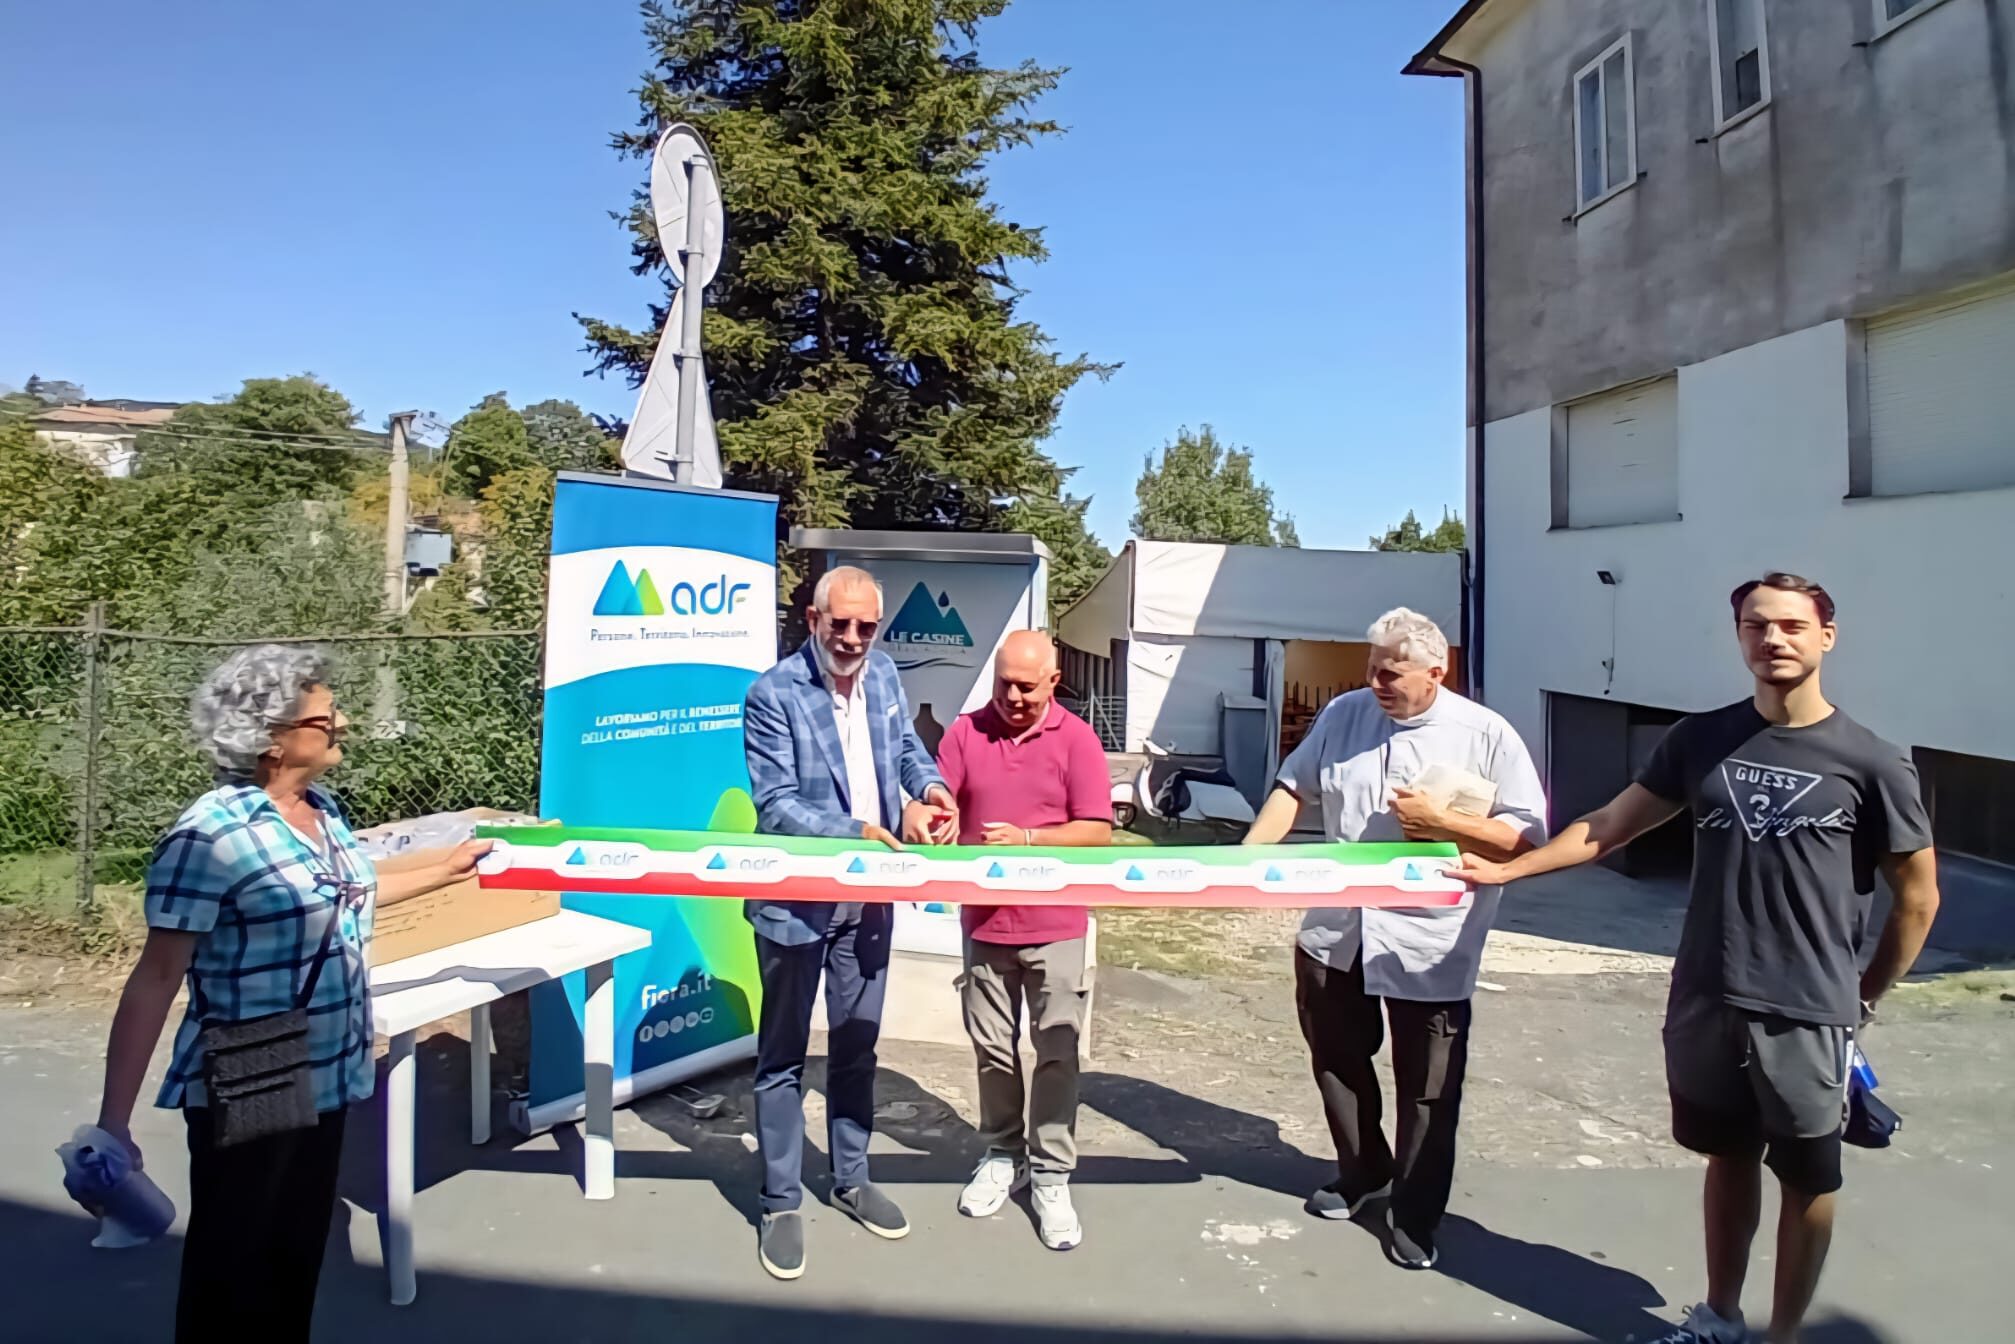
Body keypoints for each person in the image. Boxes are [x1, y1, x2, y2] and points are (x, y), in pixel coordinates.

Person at [1457, 573, 1940, 1344]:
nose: (1772, 639)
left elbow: (1917, 898)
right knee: (1726, 1154)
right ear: (1738, 635)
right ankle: (1720, 1316)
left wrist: (1863, 996)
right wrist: (1508, 870)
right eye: (1755, 625)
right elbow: (1609, 825)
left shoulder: (1872, 762)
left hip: (1806, 1008)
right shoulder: (1699, 739)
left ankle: (1782, 1335)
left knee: (1807, 1176)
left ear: (1825, 636)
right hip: (1705, 995)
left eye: (1790, 625)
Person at [94, 645, 490, 1343]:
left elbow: (347, 890)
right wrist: (113, 1123)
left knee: (295, 1252)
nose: (343, 723)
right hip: (257, 1065)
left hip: (332, 1064)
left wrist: (451, 869)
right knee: (235, 1266)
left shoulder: (321, 810)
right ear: (272, 739)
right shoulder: (209, 838)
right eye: (326, 715)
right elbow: (156, 978)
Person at [1243, 607, 1545, 1271]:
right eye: (1372, 668)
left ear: (1437, 671)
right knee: (1337, 1060)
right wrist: (1248, 857)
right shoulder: (1343, 714)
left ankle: (1414, 1212)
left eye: (1391, 673)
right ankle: (1363, 1171)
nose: (1375, 683)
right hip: (1337, 930)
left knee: (1427, 1087)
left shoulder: (1485, 734)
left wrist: (1442, 821)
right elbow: (1293, 788)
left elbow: (1527, 836)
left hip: (1429, 940)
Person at [741, 565, 960, 1281]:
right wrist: (857, 832)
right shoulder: (772, 693)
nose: (854, 638)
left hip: (868, 905)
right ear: (813, 620)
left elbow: (906, 753)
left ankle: (852, 1178)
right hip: (794, 905)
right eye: (840, 624)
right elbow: (776, 804)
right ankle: (779, 1202)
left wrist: (929, 790)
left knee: (857, 1048)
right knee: (781, 1058)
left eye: (867, 626)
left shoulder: (886, 675)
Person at [935, 630, 1112, 1250]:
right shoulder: (965, 732)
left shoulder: (1078, 739)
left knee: (1057, 1051)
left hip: (1057, 925)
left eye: (1027, 687)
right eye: (1004, 683)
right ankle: (1001, 1154)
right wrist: (931, 816)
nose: (1012, 697)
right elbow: (937, 797)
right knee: (992, 1050)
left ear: (1054, 682)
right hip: (984, 924)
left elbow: (1097, 830)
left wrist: (1031, 839)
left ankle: (1052, 1174)